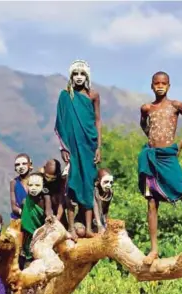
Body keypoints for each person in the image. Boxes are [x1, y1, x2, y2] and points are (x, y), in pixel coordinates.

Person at [138, 71, 182, 265]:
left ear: (169, 86)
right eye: (157, 83)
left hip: (168, 157)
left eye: (164, 83)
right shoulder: (147, 108)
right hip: (151, 158)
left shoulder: (176, 106)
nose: (160, 86)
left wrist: (179, 145)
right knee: (152, 202)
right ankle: (154, 249)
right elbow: (143, 125)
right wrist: (152, 139)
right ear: (152, 86)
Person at [55, 59, 102, 239]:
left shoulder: (93, 95)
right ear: (71, 76)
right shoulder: (65, 96)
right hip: (72, 147)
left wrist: (98, 146)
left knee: (88, 183)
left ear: (87, 76)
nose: (79, 77)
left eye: (82, 74)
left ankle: (90, 228)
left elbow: (97, 121)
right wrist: (63, 147)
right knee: (71, 185)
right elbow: (60, 122)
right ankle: (71, 229)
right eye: (76, 74)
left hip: (89, 145)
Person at [40, 159, 66, 225]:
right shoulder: (40, 180)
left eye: (52, 178)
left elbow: (61, 202)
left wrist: (57, 219)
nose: (49, 180)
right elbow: (47, 201)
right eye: (47, 177)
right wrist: (49, 217)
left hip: (59, 210)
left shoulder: (61, 181)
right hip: (47, 210)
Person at [9, 153, 32, 222]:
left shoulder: (36, 180)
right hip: (19, 219)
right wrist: (24, 214)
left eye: (24, 163)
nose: (21, 167)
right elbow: (14, 207)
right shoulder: (13, 183)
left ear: (29, 165)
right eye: (17, 165)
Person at [93, 168, 114, 233]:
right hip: (87, 220)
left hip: (99, 219)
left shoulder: (110, 193)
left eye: (111, 182)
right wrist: (99, 225)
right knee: (81, 231)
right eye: (106, 182)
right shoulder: (94, 191)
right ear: (99, 180)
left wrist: (105, 222)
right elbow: (94, 207)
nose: (108, 185)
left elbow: (106, 209)